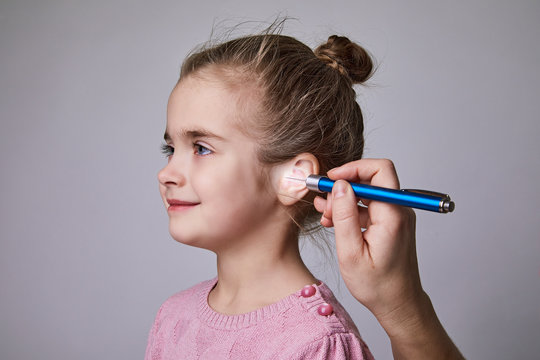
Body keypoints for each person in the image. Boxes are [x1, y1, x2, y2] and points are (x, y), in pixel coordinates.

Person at [145, 28, 464, 359]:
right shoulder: (173, 317)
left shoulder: (318, 344)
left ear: (294, 177)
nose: (166, 174)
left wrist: (405, 308)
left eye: (201, 148)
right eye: (170, 148)